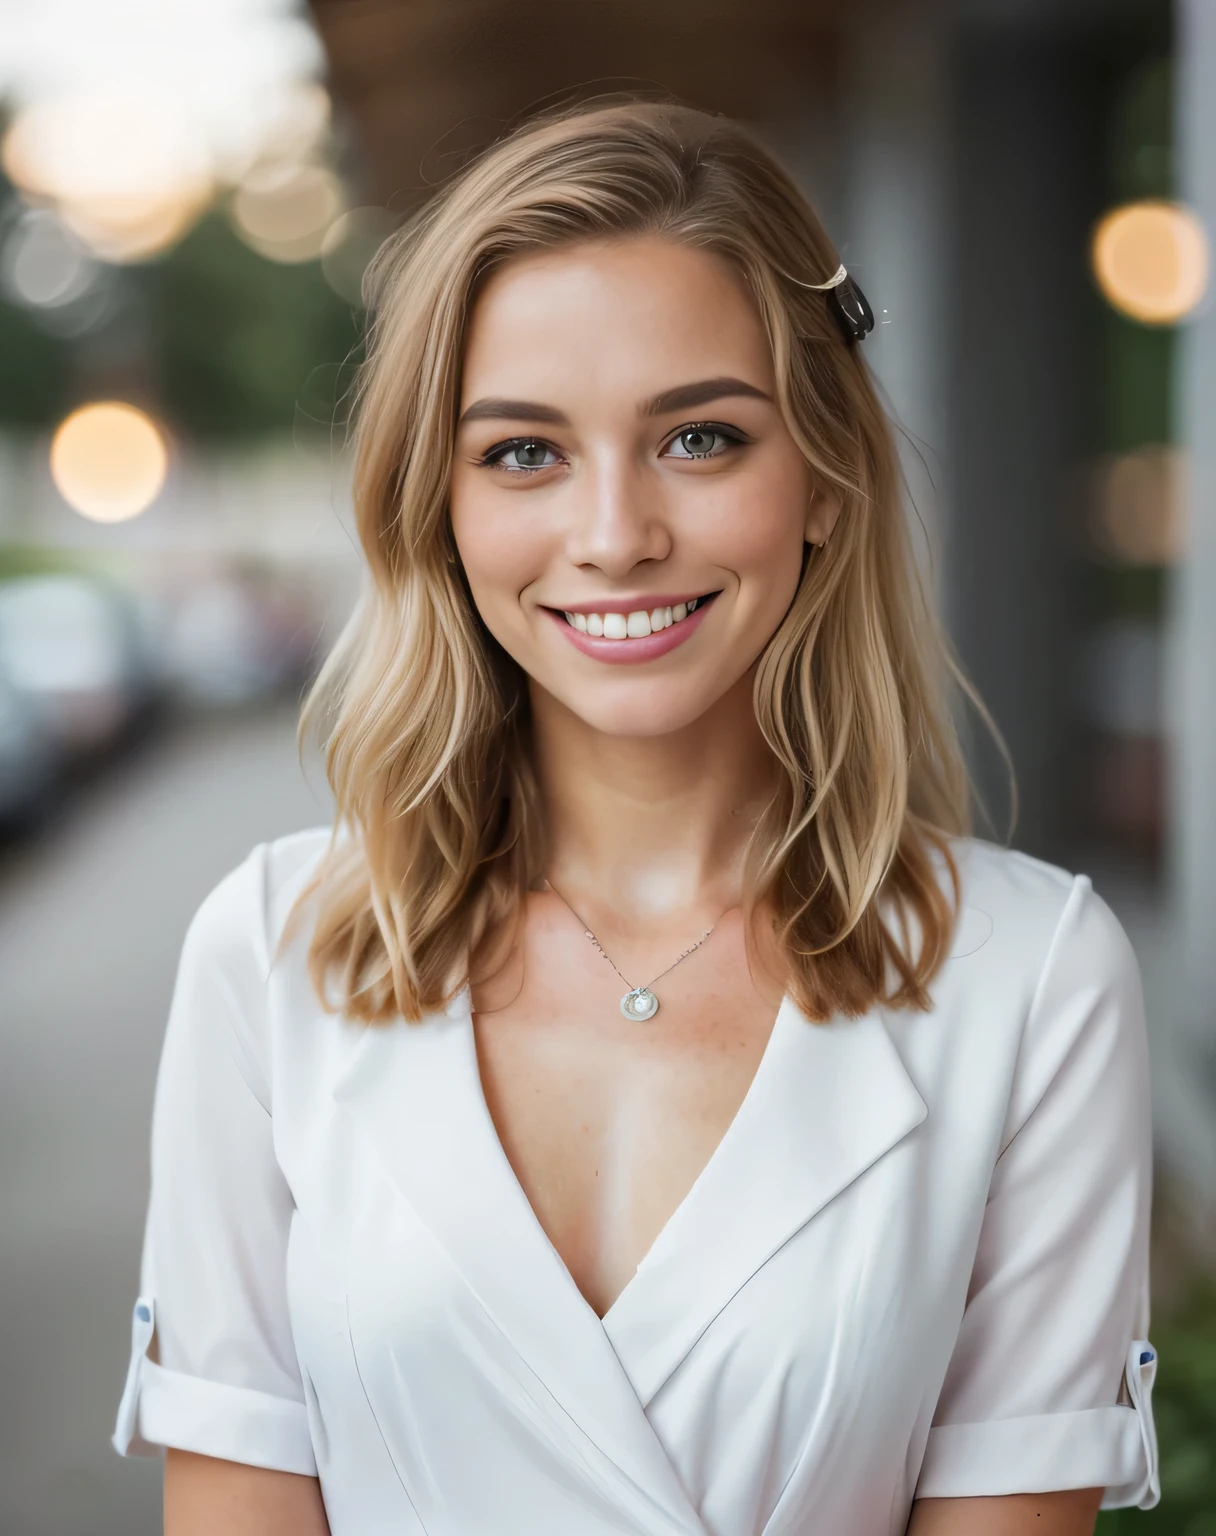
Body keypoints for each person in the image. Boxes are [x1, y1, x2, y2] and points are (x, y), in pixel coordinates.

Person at [112, 98, 1159, 1536]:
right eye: (524, 454)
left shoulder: (1034, 981)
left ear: (826, 483)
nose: (614, 534)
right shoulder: (272, 954)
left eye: (701, 438)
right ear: (441, 509)